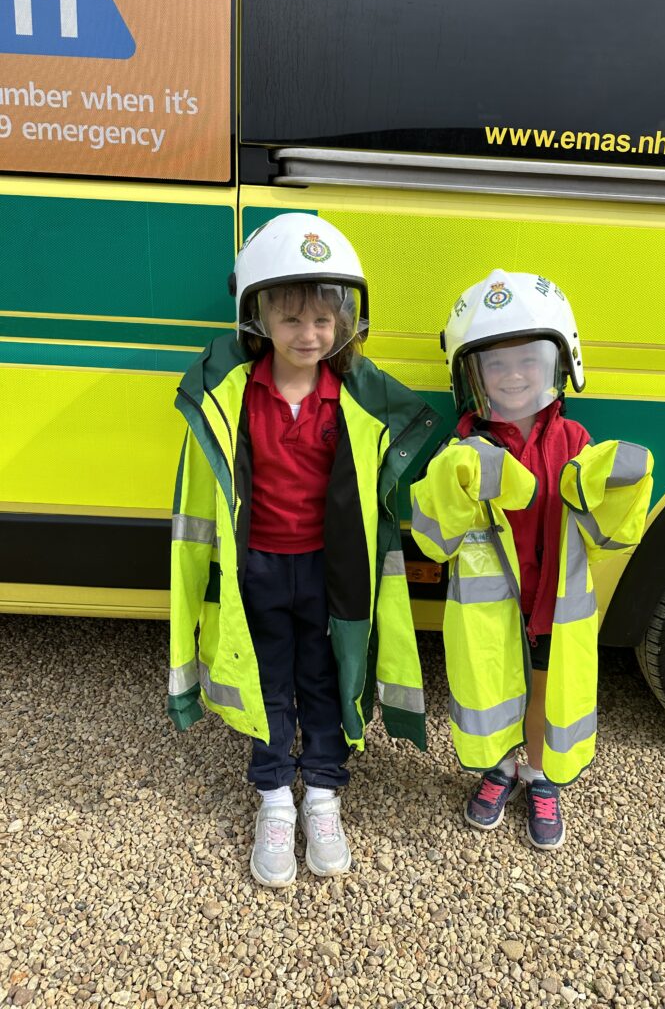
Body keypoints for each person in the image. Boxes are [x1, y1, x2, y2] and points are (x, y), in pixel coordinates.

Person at [168, 213, 440, 886]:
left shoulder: (353, 399)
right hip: (255, 570)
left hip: (327, 574)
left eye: (323, 319)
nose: (308, 334)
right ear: (257, 317)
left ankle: (322, 793)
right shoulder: (231, 396)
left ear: (345, 322)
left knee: (322, 680)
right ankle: (273, 800)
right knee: (266, 683)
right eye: (289, 319)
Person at [411, 271, 653, 850]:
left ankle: (539, 774)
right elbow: (430, 538)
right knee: (494, 693)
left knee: (544, 693)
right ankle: (500, 768)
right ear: (471, 377)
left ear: (560, 364)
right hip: (491, 616)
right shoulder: (462, 450)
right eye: (494, 364)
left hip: (552, 606)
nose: (513, 375)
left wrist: (618, 486)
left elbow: (607, 536)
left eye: (527, 360)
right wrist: (456, 478)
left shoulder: (574, 440)